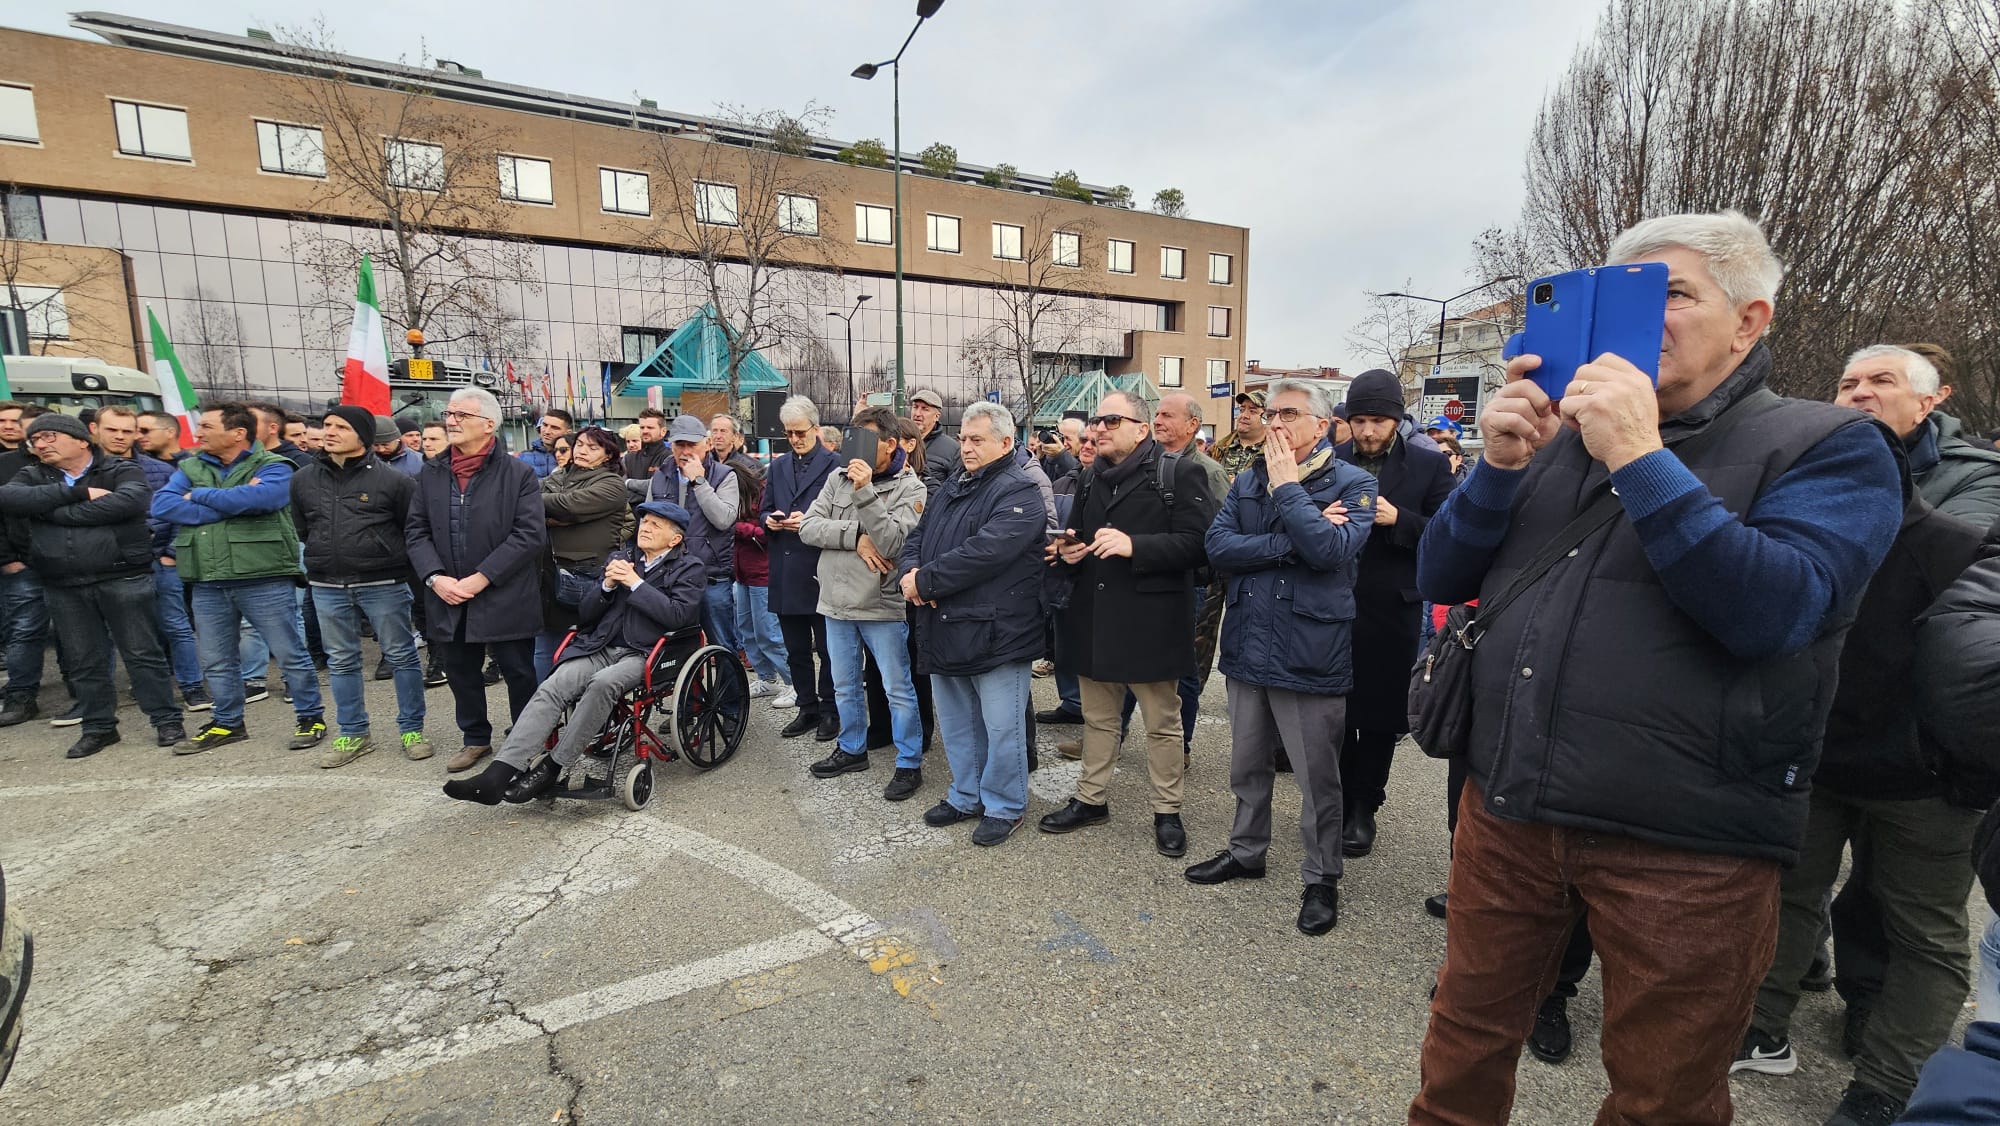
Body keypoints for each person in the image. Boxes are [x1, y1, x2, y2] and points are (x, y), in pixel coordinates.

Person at [1407, 210, 1903, 1126]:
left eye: (1674, 294)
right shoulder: (1556, 441)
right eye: (1625, 296)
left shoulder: (1827, 444)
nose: (1646, 317)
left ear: (1750, 321)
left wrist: (1639, 454)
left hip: (1688, 845)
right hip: (1510, 807)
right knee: (1464, 1042)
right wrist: (1497, 470)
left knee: (1663, 1091)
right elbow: (1441, 576)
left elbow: (1776, 610)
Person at [1733, 427, 1988, 1124]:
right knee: (1784, 900)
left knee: (1925, 937)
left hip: (1926, 787)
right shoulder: (1801, 537)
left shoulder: (1962, 548)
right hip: (1817, 763)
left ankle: (1888, 1084)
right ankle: (1761, 1027)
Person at [1825, 343, 2000, 1044]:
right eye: (1847, 383)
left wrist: (1862, 477)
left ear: (1931, 402)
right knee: (1791, 891)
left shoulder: (1980, 481)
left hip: (1924, 752)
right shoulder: (1812, 459)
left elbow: (1926, 577)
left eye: (1881, 381)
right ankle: (1786, 1005)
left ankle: (1884, 1046)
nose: (1860, 393)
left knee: (1906, 912)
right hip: (1825, 725)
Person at [1186, 379, 1375, 934]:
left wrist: (1289, 490)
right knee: (1246, 765)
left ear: (1322, 426)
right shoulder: (1246, 480)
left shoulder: (1355, 482)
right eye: (1270, 413)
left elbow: (1330, 550)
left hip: (1310, 653)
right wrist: (1289, 542)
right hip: (1248, 646)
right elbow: (1218, 549)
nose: (1274, 423)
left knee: (1318, 779)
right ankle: (1246, 852)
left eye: (1288, 413)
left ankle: (1321, 877)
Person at [1039, 391, 1219, 857]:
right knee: (1099, 720)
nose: (1098, 428)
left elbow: (1201, 547)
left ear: (1141, 429)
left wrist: (1136, 546)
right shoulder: (1088, 477)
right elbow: (1077, 535)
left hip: (1150, 621)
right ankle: (1090, 799)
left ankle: (1167, 811)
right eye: (1097, 420)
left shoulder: (1178, 471)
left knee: (1161, 722)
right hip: (1093, 618)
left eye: (1111, 420)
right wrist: (1067, 552)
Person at [444, 500, 703, 805]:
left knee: (603, 684)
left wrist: (634, 584)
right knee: (553, 686)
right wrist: (606, 585)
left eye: (655, 525)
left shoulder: (690, 567)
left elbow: (677, 616)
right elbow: (586, 613)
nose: (645, 527)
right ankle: (497, 775)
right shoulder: (623, 557)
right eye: (644, 521)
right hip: (601, 644)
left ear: (675, 539)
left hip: (647, 653)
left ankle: (552, 767)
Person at [901, 401, 1047, 843]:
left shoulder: (1019, 491)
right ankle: (965, 795)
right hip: (946, 624)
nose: (966, 447)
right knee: (960, 723)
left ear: (1006, 442)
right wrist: (910, 573)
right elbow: (918, 536)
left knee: (1002, 728)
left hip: (998, 631)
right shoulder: (952, 487)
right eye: (963, 438)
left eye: (976, 439)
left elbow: (985, 553)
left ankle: (1004, 805)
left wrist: (924, 581)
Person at [0, 413, 185, 756]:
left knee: (143, 655)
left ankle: (166, 720)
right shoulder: (32, 473)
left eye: (49, 437)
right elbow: (9, 499)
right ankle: (99, 728)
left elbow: (131, 502)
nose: (40, 445)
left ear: (81, 440)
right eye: (36, 440)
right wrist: (78, 493)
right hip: (62, 582)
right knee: (84, 660)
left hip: (122, 576)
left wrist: (51, 511)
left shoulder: (119, 469)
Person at [151, 402, 327, 756]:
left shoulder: (274, 465)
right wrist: (233, 502)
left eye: (205, 426)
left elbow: (265, 498)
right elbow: (163, 505)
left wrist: (198, 495)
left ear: (237, 433)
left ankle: (311, 717)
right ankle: (227, 722)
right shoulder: (190, 465)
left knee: (290, 652)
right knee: (216, 659)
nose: (196, 433)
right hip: (207, 578)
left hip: (263, 575)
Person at [1335, 368, 1458, 859]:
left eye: (1378, 421)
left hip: (1393, 608)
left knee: (1382, 717)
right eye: (1359, 420)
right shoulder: (1331, 459)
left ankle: (1365, 808)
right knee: (1336, 712)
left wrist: (1399, 519)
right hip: (1334, 606)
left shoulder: (1428, 467)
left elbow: (1449, 535)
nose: (1367, 431)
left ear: (1396, 420)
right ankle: (1339, 803)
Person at [406, 388, 545, 776]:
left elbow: (529, 535)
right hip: (447, 593)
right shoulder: (431, 472)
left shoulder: (517, 473)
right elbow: (416, 532)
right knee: (460, 670)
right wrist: (436, 579)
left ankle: (525, 740)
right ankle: (475, 738)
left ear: (488, 424)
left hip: (504, 592)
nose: (451, 420)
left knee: (518, 671)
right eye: (449, 413)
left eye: (460, 415)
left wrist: (482, 578)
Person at [290, 406, 431, 768]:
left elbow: (411, 530)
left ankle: (412, 729)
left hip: (383, 581)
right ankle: (353, 732)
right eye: (327, 425)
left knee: (401, 656)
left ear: (364, 436)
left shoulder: (394, 482)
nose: (330, 432)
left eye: (341, 426)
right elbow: (304, 529)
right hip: (326, 584)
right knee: (341, 661)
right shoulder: (303, 480)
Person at [797, 406, 927, 788]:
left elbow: (893, 543)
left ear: (890, 444)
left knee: (897, 689)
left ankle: (909, 762)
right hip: (835, 602)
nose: (857, 448)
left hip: (880, 605)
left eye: (867, 439)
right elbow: (807, 527)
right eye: (854, 437)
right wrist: (856, 537)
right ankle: (852, 749)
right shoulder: (837, 478)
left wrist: (866, 492)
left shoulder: (911, 487)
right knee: (844, 684)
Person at [1118, 391, 1228, 760]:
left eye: (1168, 415)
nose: (1159, 420)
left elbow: (1215, 534)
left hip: (1190, 583)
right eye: (1157, 414)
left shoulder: (1208, 472)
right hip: (1146, 578)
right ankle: (1112, 737)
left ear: (1192, 425)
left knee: (1183, 669)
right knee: (1131, 659)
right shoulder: (1144, 464)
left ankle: (1179, 745)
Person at [764, 396, 841, 739]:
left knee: (827, 649)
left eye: (799, 432)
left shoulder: (836, 464)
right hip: (785, 566)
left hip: (819, 567)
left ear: (816, 428)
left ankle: (829, 709)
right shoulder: (778, 466)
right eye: (788, 433)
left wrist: (809, 521)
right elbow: (762, 509)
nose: (794, 439)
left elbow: (844, 515)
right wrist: (770, 520)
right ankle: (807, 707)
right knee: (795, 649)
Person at [536, 426, 631, 682]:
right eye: (579, 444)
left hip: (588, 575)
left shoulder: (612, 484)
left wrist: (550, 512)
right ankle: (544, 715)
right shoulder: (559, 476)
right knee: (544, 648)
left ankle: (584, 712)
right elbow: (531, 495)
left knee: (581, 649)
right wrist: (548, 514)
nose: (582, 451)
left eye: (592, 447)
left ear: (608, 455)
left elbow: (569, 506)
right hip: (548, 571)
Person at [133, 410, 209, 711]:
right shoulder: (104, 470)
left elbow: (185, 514)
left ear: (169, 432)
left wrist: (171, 553)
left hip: (168, 558)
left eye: (144, 429)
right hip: (124, 561)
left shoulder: (180, 469)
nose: (139, 436)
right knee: (140, 629)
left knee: (178, 623)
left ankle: (192, 686)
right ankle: (151, 683)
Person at [648, 415, 740, 654]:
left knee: (721, 646)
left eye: (693, 444)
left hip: (711, 574)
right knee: (678, 647)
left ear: (707, 444)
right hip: (669, 575)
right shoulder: (661, 475)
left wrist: (699, 481)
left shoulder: (724, 475)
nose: (686, 451)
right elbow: (648, 522)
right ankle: (693, 693)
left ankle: (729, 692)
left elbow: (724, 519)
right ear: (672, 446)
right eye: (680, 445)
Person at [909, 389, 959, 497]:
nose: (917, 413)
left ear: (937, 416)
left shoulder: (952, 449)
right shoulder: (898, 442)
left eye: (924, 409)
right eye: (915, 407)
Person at [1209, 389, 1268, 480]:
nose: (1244, 415)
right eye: (1241, 410)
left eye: (1252, 411)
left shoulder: (1273, 454)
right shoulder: (1218, 449)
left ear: (1267, 417)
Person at [518, 409, 572, 479]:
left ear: (568, 432)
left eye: (554, 428)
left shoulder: (576, 457)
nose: (547, 431)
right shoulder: (523, 458)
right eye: (545, 425)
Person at [621, 407, 670, 483]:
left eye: (650, 427)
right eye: (642, 427)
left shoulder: (669, 458)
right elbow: (622, 488)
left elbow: (661, 488)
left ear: (663, 431)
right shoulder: (629, 459)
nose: (645, 431)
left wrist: (629, 483)